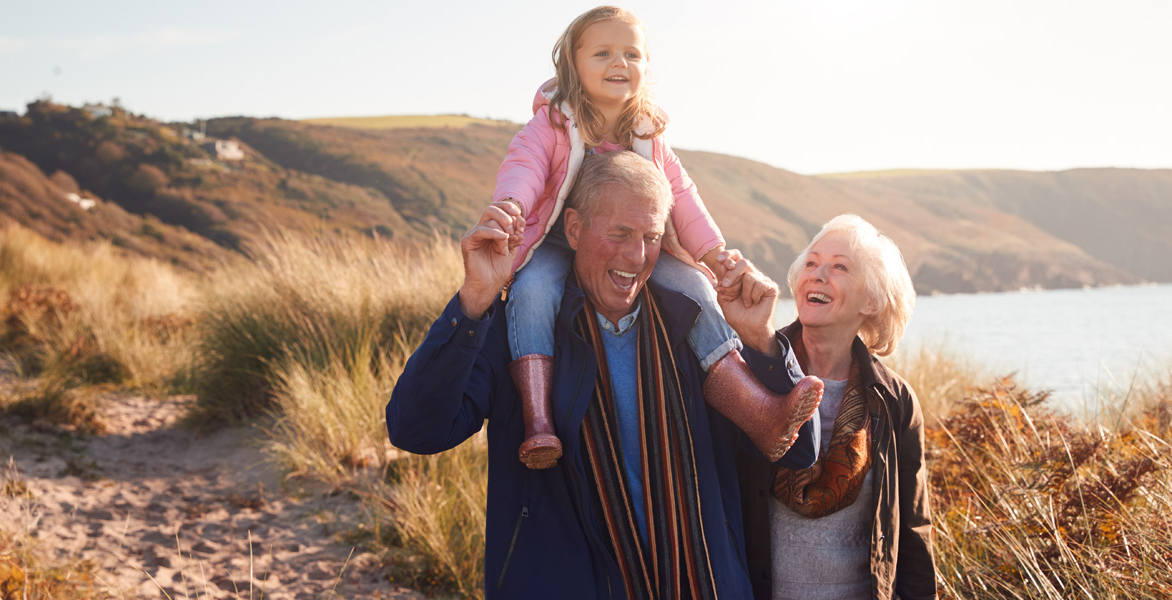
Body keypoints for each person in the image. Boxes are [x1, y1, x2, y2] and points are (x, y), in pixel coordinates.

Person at [387, 151, 820, 599]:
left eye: (652, 236)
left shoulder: (696, 329)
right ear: (573, 229)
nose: (636, 255)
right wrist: (475, 298)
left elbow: (798, 451)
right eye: (620, 233)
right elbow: (415, 430)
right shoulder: (519, 333)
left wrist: (763, 342)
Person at [490, 5, 822, 469]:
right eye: (602, 52)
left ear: (646, 67)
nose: (619, 63)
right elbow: (523, 167)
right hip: (557, 240)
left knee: (696, 287)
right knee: (532, 292)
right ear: (572, 62)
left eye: (632, 54)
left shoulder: (649, 135)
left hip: (636, 244)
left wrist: (712, 251)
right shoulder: (553, 123)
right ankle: (539, 420)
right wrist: (511, 207)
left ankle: (759, 411)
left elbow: (681, 195)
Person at [732, 215, 937, 599]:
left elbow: (913, 531)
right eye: (811, 263)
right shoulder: (751, 371)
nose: (818, 274)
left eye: (840, 267)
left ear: (872, 299)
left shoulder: (895, 401)